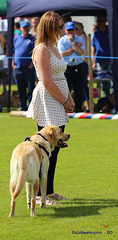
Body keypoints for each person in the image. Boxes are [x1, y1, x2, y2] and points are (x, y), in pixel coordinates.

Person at [26, 11, 75, 205]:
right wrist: (64, 100)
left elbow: (61, 76)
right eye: (59, 27)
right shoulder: (41, 49)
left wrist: (69, 97)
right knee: (44, 149)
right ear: (50, 27)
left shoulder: (54, 46)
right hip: (48, 100)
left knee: (54, 148)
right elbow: (46, 81)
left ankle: (50, 191)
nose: (62, 30)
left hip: (59, 98)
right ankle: (39, 195)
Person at [57, 21, 85, 112]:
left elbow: (81, 52)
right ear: (65, 31)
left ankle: (78, 109)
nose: (70, 32)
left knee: (78, 89)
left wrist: (73, 43)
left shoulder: (80, 39)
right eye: (68, 30)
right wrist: (74, 48)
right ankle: (66, 109)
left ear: (75, 30)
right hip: (66, 67)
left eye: (72, 30)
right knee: (66, 89)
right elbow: (62, 54)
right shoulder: (62, 40)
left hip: (77, 66)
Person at [12, 20, 35, 111]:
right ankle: (22, 106)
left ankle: (31, 107)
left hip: (28, 68)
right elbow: (13, 52)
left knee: (30, 89)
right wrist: (13, 63)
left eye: (27, 27)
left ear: (29, 28)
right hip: (17, 68)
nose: (25, 29)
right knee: (20, 89)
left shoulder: (32, 39)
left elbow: (35, 52)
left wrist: (32, 64)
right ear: (20, 28)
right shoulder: (16, 39)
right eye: (24, 27)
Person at [92, 15, 112, 96]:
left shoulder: (111, 31)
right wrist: (93, 62)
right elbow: (93, 48)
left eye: (101, 20)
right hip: (100, 61)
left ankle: (114, 103)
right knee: (103, 84)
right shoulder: (96, 33)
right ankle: (106, 101)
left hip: (111, 60)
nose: (99, 23)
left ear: (105, 21)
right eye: (98, 21)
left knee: (112, 81)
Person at [74, 21, 89, 112]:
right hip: (77, 63)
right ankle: (82, 105)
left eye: (75, 29)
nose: (73, 31)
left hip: (83, 63)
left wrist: (73, 45)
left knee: (83, 85)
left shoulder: (81, 38)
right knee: (79, 87)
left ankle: (87, 105)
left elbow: (80, 52)